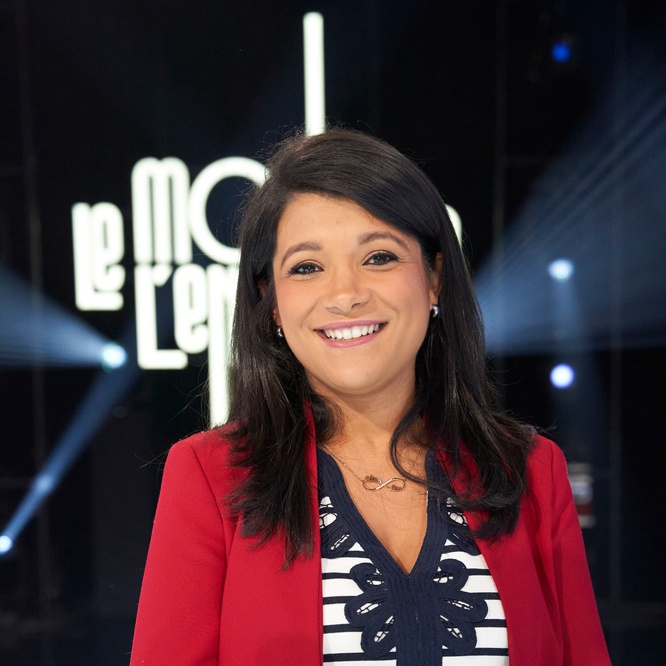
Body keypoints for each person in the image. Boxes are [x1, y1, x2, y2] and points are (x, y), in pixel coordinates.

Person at [130, 129, 611, 665]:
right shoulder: (211, 476)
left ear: (433, 277)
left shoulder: (531, 471)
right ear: (271, 302)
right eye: (307, 267)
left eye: (379, 257)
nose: (346, 294)